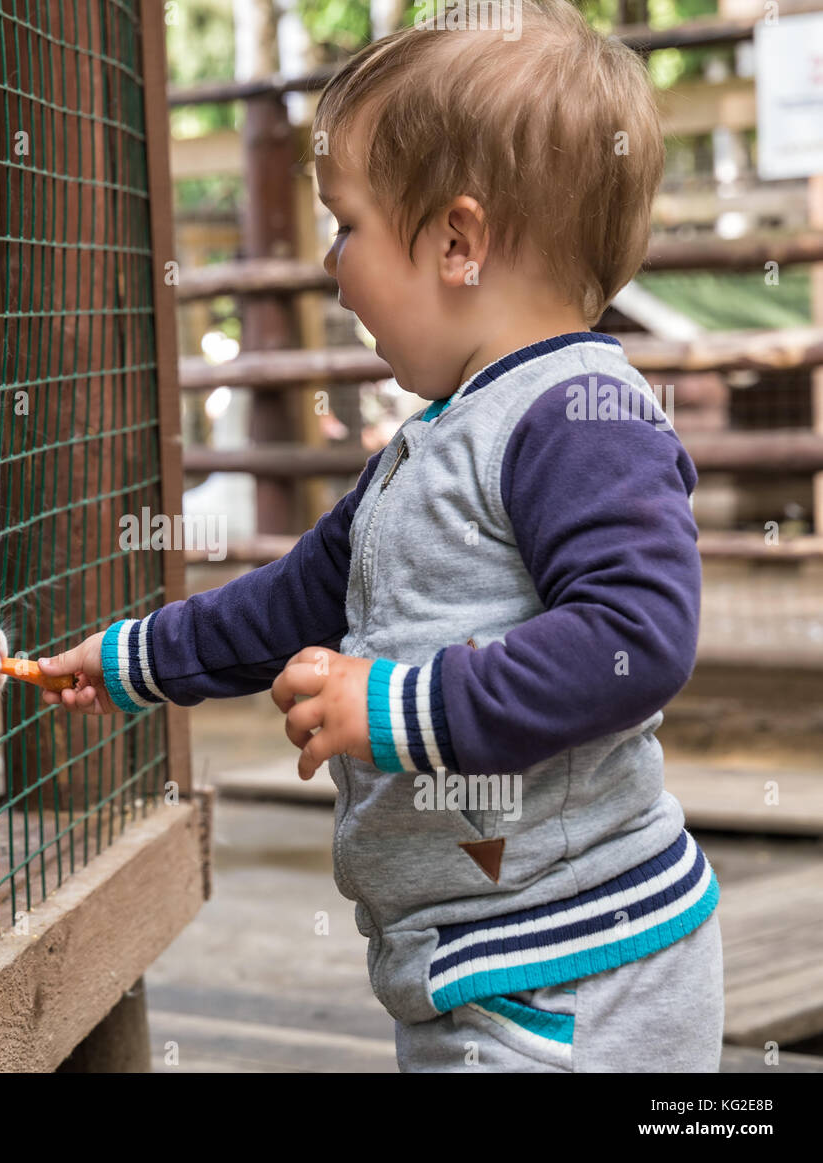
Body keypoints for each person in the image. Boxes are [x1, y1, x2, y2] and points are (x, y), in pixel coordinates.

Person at [36, 0, 723, 1072]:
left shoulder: (580, 412)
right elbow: (300, 598)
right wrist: (135, 659)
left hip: (574, 966)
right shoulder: (440, 439)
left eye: (346, 222)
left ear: (456, 240)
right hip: (476, 955)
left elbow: (634, 638)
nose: (329, 261)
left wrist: (401, 704)